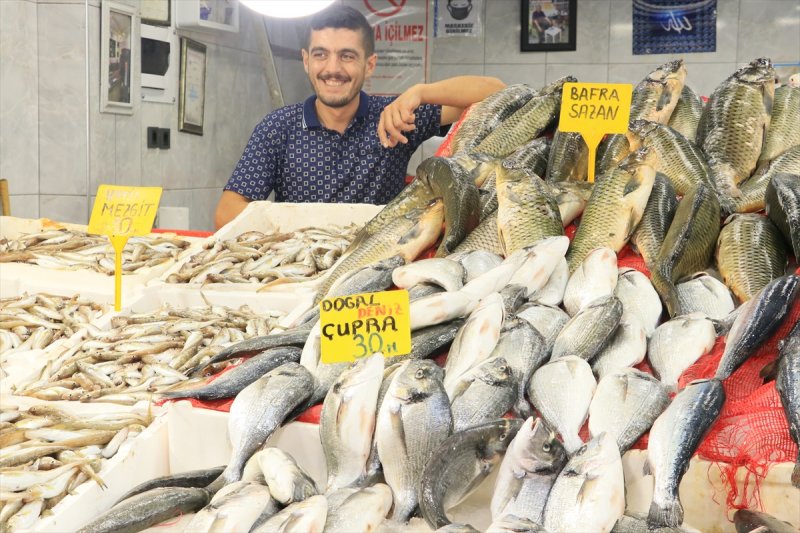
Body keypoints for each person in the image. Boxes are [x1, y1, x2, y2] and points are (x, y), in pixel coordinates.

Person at [214, 4, 505, 229]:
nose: (332, 68)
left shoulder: (395, 115)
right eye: (320, 54)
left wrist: (420, 92)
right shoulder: (277, 128)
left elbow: (497, 92)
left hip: (377, 266)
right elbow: (226, 214)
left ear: (369, 64)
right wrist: (301, 226)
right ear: (306, 60)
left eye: (347, 56)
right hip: (300, 263)